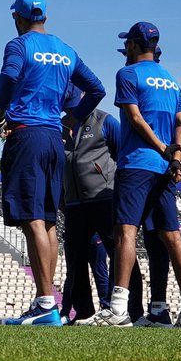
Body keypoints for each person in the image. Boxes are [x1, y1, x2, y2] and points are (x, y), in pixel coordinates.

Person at [0, 0, 106, 327]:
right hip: (54, 137)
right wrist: (72, 118)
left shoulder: (19, 45)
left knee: (32, 220)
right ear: (45, 17)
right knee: (48, 220)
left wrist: (1, 112)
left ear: (18, 17)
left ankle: (44, 303)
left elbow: (10, 76)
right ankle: (47, 304)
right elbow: (96, 89)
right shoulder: (65, 49)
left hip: (26, 134)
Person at [89, 22, 181, 328]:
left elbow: (134, 118)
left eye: (128, 45)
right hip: (164, 169)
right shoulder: (171, 80)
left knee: (126, 233)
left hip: (137, 163)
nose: (126, 51)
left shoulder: (127, 74)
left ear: (135, 45)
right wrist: (177, 155)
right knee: (172, 236)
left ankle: (119, 309)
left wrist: (164, 149)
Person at [61, 105, 121, 322]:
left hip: (103, 198)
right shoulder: (62, 125)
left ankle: (121, 308)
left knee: (117, 253)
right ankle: (84, 311)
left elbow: (122, 154)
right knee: (74, 261)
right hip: (73, 204)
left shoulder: (106, 121)